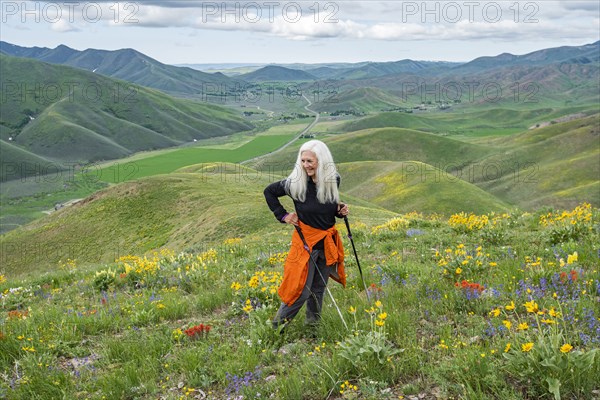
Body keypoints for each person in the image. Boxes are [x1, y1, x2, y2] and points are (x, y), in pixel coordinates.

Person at [264, 139, 350, 330]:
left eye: (310, 161)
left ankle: (313, 327)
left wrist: (339, 211)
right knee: (300, 289)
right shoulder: (295, 183)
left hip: (326, 243)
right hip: (306, 242)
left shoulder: (333, 179)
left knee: (318, 289)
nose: (305, 165)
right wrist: (283, 215)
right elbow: (269, 191)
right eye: (303, 161)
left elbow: (326, 208)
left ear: (322, 161)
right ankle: (275, 329)